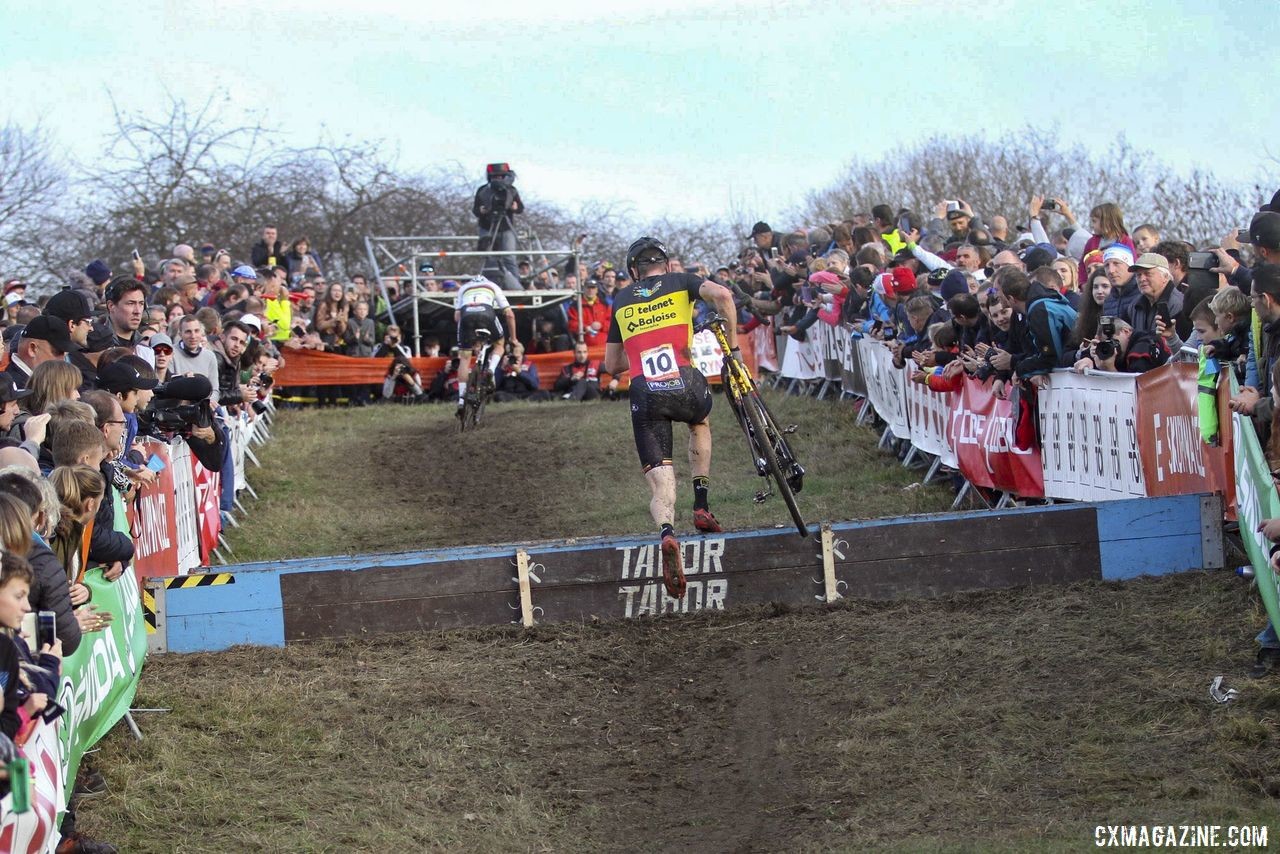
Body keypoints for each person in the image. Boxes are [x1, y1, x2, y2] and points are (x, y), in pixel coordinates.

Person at [603, 237, 738, 601]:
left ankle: (666, 533)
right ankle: (702, 503)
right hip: (685, 382)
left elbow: (611, 366)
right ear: (665, 263)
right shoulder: (681, 281)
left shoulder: (621, 299)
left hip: (644, 391)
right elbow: (723, 296)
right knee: (699, 423)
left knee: (661, 483)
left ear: (634, 270)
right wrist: (734, 348)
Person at [453, 276, 516, 415]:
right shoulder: (492, 285)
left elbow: (457, 317)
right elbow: (509, 314)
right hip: (486, 313)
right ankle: (491, 370)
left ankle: (461, 401)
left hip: (466, 317)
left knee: (464, 358)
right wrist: (514, 338)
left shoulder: (463, 288)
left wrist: (466, 334)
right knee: (499, 343)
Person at [473, 163, 525, 290]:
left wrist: (515, 207)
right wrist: (482, 210)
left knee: (509, 258)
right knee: (488, 258)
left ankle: (515, 286)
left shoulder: (511, 190)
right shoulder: (483, 190)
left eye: (501, 177)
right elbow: (475, 210)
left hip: (506, 227)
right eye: (496, 177)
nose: (499, 180)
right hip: (487, 226)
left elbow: (521, 208)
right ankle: (489, 286)